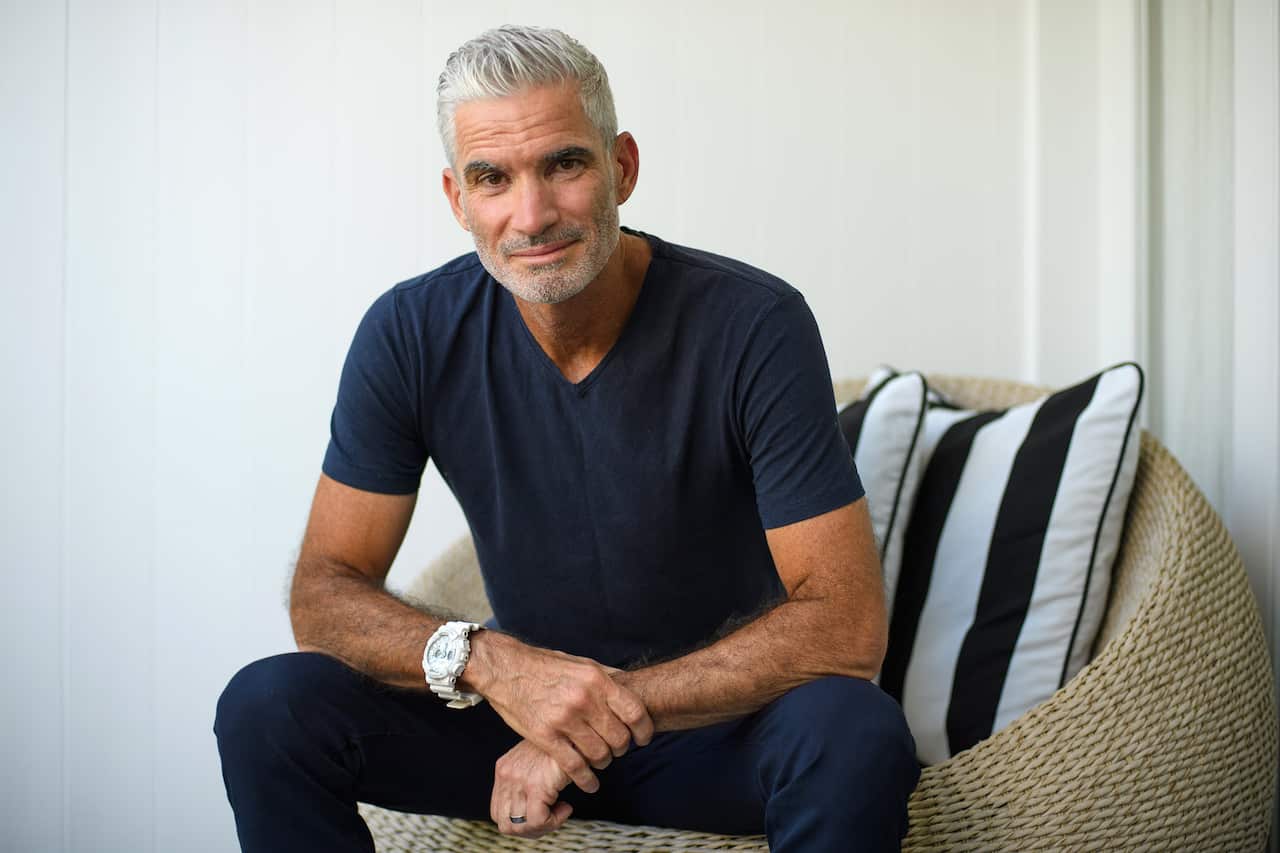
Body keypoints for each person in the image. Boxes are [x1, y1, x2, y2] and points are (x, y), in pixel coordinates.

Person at [214, 24, 919, 852]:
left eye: (564, 165)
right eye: (493, 177)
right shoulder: (408, 333)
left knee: (856, 732)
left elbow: (846, 624)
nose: (533, 214)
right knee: (268, 706)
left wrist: (591, 713)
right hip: (508, 722)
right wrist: (492, 665)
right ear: (457, 199)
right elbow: (323, 592)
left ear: (622, 166)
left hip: (717, 728)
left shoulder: (755, 324)